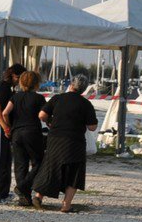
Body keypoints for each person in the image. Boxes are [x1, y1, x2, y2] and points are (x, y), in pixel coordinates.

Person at [33, 74, 100, 212]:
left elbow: (41, 115)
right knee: (75, 172)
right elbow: (92, 127)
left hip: (55, 139)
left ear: (71, 85)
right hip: (75, 142)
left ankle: (39, 196)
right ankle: (66, 205)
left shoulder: (57, 98)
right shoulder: (86, 104)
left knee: (50, 167)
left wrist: (50, 122)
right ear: (83, 89)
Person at [1, 69, 46, 207]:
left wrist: (8, 127)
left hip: (16, 133)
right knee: (39, 163)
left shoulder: (15, 97)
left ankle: (24, 198)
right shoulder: (39, 98)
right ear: (36, 83)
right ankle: (23, 187)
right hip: (32, 132)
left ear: (21, 82)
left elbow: (5, 112)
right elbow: (43, 115)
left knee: (21, 165)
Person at [0, 64, 25, 203]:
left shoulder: (9, 88)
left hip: (2, 128)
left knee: (6, 161)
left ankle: (3, 193)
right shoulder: (2, 86)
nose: (20, 81)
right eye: (19, 77)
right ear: (13, 75)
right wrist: (5, 127)